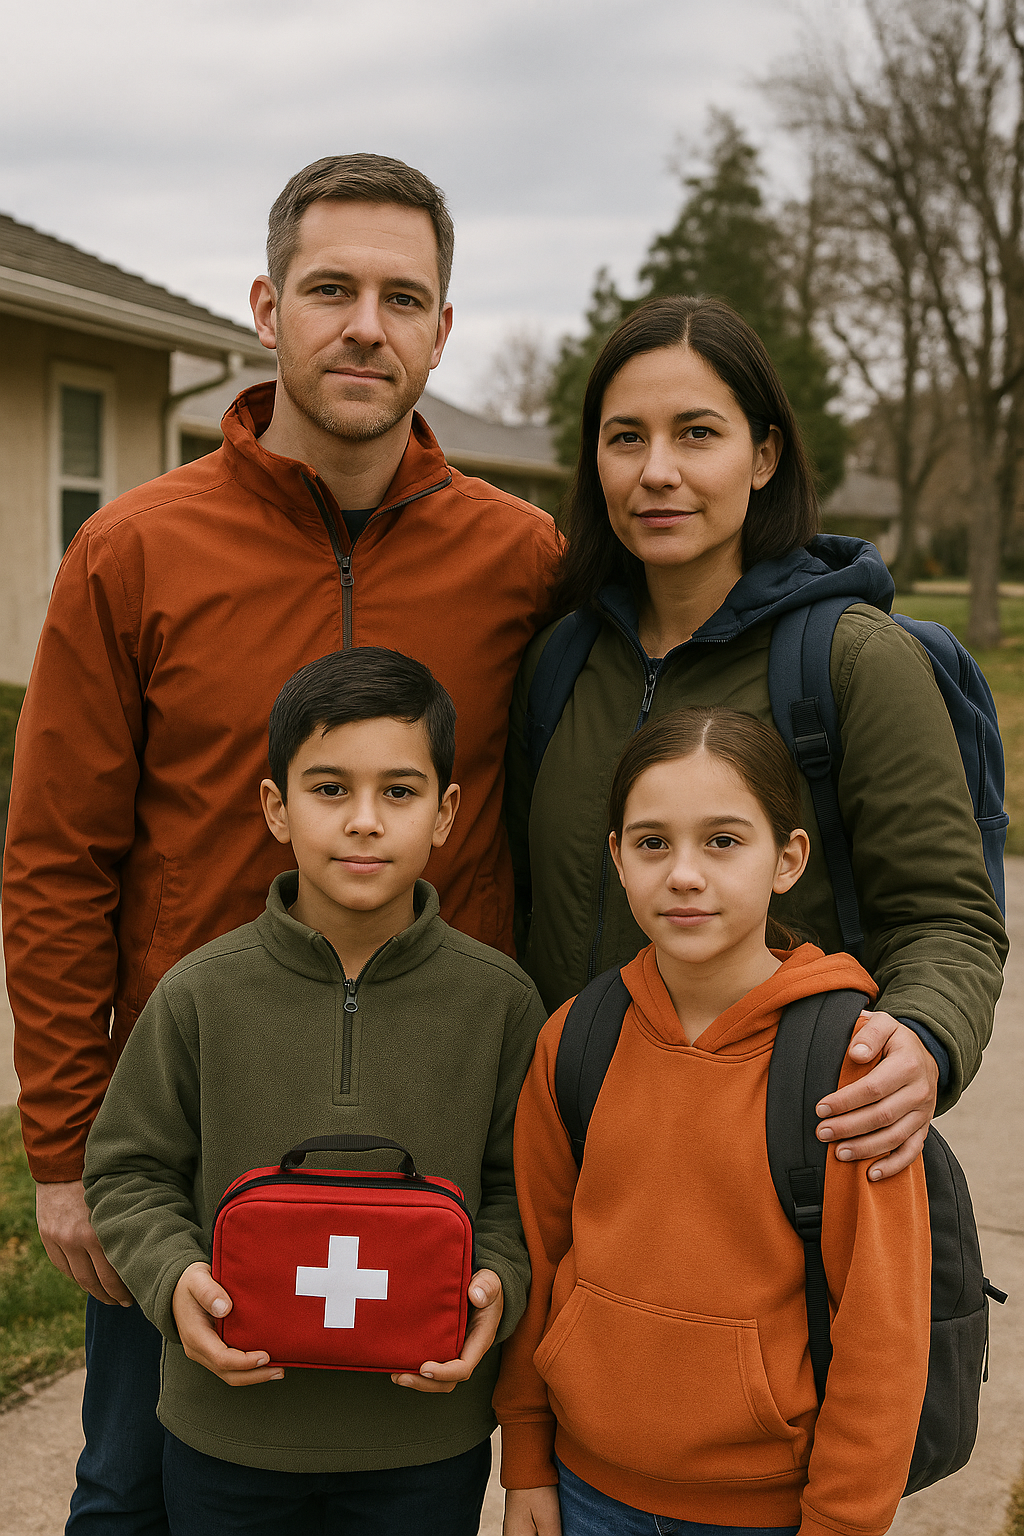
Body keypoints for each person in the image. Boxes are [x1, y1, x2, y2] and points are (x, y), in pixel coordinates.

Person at [2, 153, 559, 1530]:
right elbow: (56, 857)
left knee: (406, 1488)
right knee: (133, 1488)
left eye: (402, 296)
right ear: (266, 307)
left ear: (443, 326)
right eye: (330, 289)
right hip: (195, 1139)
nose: (365, 324)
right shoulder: (132, 553)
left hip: (431, 1141)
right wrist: (68, 1155)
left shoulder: (527, 566)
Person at [504, 295, 1006, 1182]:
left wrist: (924, 1041)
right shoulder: (559, 662)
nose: (657, 470)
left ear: (764, 454)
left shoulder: (854, 663)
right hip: (579, 1162)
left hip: (776, 1171)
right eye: (625, 438)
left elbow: (946, 918)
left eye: (697, 433)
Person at [83, 646, 548, 1535]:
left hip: (422, 1438)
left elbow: (520, 1189)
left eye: (400, 792)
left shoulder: (501, 1003)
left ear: (447, 814)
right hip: (229, 1432)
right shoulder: (200, 993)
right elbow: (127, 1171)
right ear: (276, 808)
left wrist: (498, 1281)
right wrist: (174, 1276)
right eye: (329, 788)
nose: (364, 821)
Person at [495, 705, 932, 1536]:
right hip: (585, 1490)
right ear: (617, 858)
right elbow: (541, 1259)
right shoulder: (575, 1040)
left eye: (723, 841)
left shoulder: (846, 1065)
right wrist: (526, 1457)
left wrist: (842, 1525)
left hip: (767, 1513)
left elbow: (884, 1335)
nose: (684, 874)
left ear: (787, 859)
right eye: (653, 842)